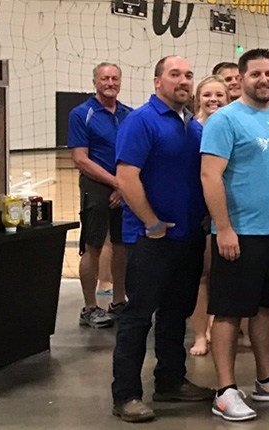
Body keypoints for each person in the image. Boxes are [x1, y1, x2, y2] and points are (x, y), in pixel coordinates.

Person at [200, 49, 269, 422]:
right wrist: (224, 228)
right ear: (241, 78)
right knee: (229, 312)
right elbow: (209, 176)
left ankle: (267, 380)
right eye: (255, 74)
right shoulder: (225, 120)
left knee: (268, 308)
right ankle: (225, 390)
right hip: (239, 233)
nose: (264, 80)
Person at [109, 55, 216, 423]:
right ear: (157, 81)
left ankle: (170, 380)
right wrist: (151, 223)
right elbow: (126, 177)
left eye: (189, 74)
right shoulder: (142, 121)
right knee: (138, 317)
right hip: (151, 239)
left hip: (187, 237)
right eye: (175, 74)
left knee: (176, 313)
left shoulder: (193, 127)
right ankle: (126, 395)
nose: (183, 80)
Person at [68, 62, 130, 329]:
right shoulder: (81, 114)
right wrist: (114, 182)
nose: (110, 83)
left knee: (121, 245)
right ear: (95, 82)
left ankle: (118, 301)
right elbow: (81, 159)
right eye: (105, 78)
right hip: (96, 186)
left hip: (124, 186)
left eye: (115, 78)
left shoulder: (129, 114)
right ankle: (90, 307)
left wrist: (123, 186)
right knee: (92, 246)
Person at [188, 76, 230, 357]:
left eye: (219, 95)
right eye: (207, 95)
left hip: (228, 208)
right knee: (202, 275)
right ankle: (200, 334)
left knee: (224, 274)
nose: (213, 100)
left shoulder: (231, 125)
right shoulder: (191, 128)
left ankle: (220, 326)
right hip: (198, 210)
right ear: (198, 98)